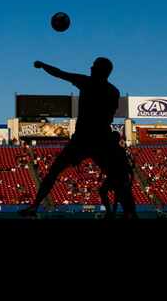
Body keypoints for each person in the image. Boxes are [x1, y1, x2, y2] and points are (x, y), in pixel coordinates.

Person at [20, 58, 136, 218]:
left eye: (94, 66)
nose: (91, 67)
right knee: (118, 178)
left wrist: (43, 65)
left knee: (54, 171)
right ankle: (130, 213)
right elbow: (109, 116)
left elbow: (60, 74)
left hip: (83, 138)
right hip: (101, 139)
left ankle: (34, 206)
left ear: (101, 70)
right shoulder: (113, 91)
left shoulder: (86, 82)